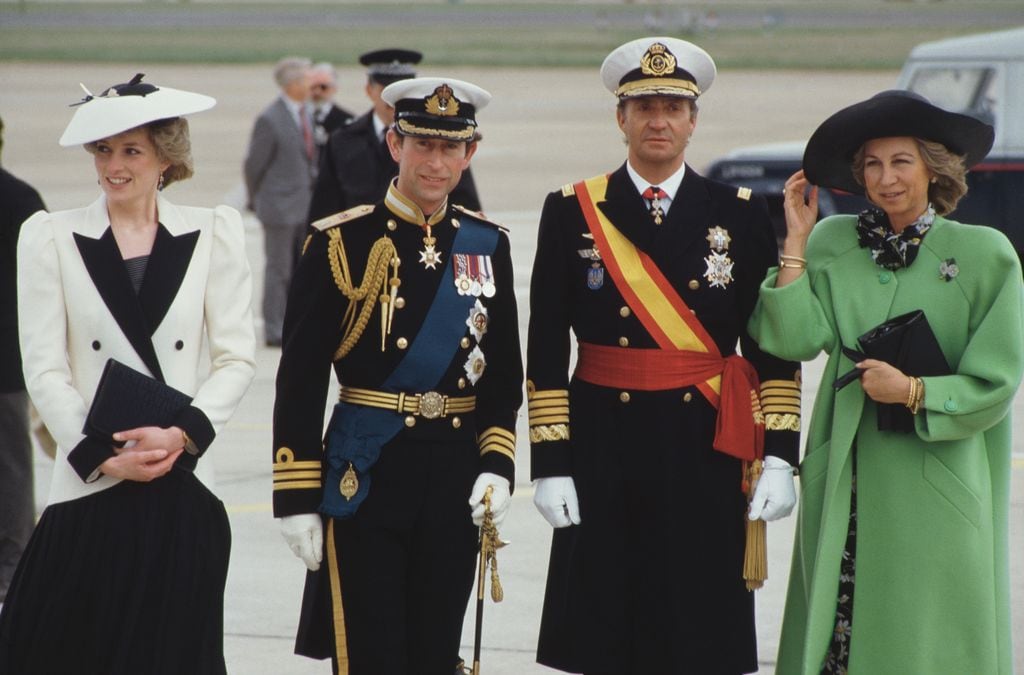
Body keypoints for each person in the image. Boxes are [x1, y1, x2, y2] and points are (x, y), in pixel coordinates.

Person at [526, 37, 802, 674]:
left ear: (693, 121)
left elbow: (771, 347)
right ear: (620, 118)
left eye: (673, 108)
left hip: (706, 445)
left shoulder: (738, 215)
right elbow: (545, 347)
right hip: (603, 445)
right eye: (644, 106)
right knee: (605, 625)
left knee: (697, 626)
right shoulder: (572, 210)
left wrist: (781, 456)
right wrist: (551, 462)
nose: (658, 120)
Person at [748, 90, 1020, 674]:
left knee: (926, 638)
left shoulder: (984, 255)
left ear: (933, 167)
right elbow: (793, 340)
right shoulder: (833, 242)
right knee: (836, 631)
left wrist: (916, 391)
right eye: (872, 164)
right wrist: (795, 241)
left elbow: (997, 384)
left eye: (901, 162)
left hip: (936, 480)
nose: (885, 178)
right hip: (846, 470)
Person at [0, 74, 257, 673]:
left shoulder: (214, 233)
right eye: (104, 151)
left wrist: (183, 434)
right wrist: (100, 453)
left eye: (131, 151)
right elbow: (44, 367)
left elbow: (236, 357)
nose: (114, 166)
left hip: (182, 481)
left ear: (167, 159)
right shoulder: (51, 237)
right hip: (91, 481)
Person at [272, 76, 522, 674]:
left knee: (435, 651)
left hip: (455, 473)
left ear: (470, 153)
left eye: (450, 148)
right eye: (421, 145)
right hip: (368, 473)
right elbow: (301, 377)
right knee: (370, 651)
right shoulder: (341, 242)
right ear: (394, 145)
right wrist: (295, 495)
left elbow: (504, 374)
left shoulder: (487, 245)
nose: (435, 162)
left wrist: (496, 464)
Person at [307, 48, 482, 224]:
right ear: (369, 89)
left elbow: (465, 205)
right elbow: (324, 208)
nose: (436, 162)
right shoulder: (343, 140)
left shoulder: (445, 138)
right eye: (386, 88)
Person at [0, 115, 46, 608]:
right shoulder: (23, 198)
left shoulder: (18, 202)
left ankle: (14, 567)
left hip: (5, 365)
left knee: (11, 471)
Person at [244, 56, 318, 347]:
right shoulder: (270, 119)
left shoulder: (304, 113)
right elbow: (254, 166)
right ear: (293, 84)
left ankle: (292, 322)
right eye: (306, 80)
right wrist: (256, 200)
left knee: (299, 270)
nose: (311, 84)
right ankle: (274, 329)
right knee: (279, 270)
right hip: (279, 208)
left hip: (303, 205)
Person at [309, 61, 354, 154]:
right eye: (313, 87)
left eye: (323, 87)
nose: (317, 92)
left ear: (334, 88)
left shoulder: (348, 121)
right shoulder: (298, 117)